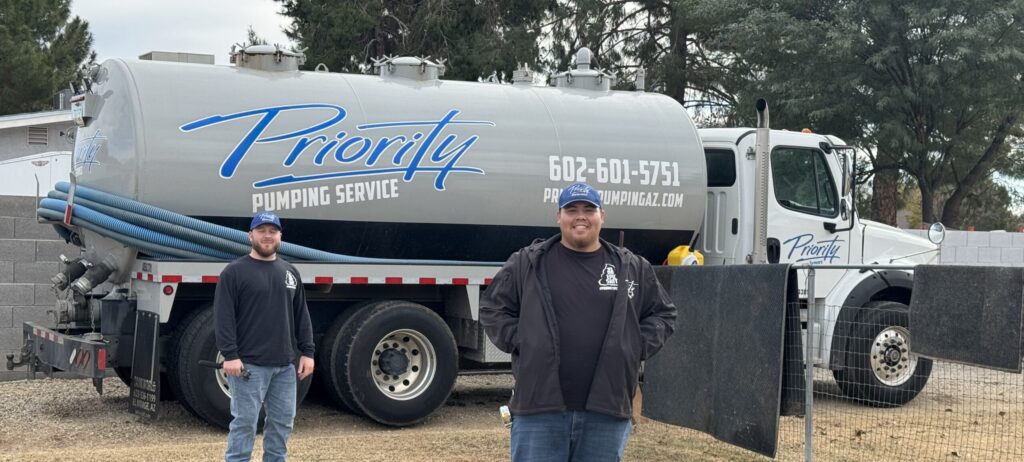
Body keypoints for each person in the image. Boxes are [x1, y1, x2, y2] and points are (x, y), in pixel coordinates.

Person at [480, 182, 677, 462]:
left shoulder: (631, 267)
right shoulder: (528, 263)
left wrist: (632, 344)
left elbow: (664, 314)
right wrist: (524, 339)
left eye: (589, 209)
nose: (580, 216)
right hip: (539, 410)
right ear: (558, 216)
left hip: (606, 411)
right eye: (571, 209)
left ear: (602, 216)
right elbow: (493, 308)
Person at [214, 211, 315, 462]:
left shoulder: (290, 272)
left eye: (273, 231)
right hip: (249, 365)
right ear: (251, 235)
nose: (267, 236)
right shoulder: (234, 272)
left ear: (280, 236)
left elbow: (301, 315)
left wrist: (308, 352)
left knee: (282, 424)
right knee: (245, 424)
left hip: (285, 367)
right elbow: (223, 316)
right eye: (262, 231)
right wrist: (230, 355)